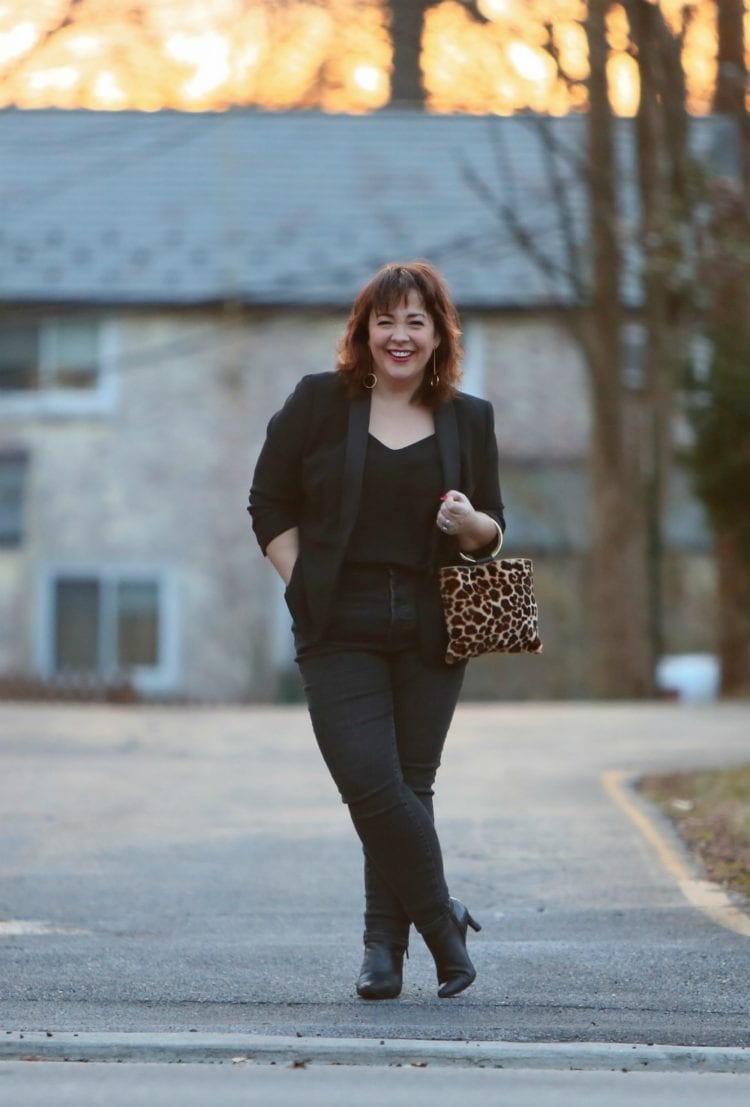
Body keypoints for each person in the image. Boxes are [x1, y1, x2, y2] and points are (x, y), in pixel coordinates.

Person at [248, 260, 504, 1000]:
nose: (399, 334)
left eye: (415, 321)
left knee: (407, 785)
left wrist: (469, 522)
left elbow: (492, 532)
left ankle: (381, 951)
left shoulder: (469, 417)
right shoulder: (319, 403)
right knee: (369, 780)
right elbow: (269, 502)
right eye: (385, 320)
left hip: (431, 623)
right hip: (339, 621)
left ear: (437, 335)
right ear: (362, 330)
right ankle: (442, 923)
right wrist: (302, 584)